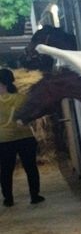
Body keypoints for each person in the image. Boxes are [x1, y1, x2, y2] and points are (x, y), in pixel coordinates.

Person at [0, 68, 44, 207]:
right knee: (31, 167)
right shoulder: (23, 98)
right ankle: (34, 196)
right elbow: (33, 114)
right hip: (25, 137)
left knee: (6, 170)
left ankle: (8, 199)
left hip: (4, 140)